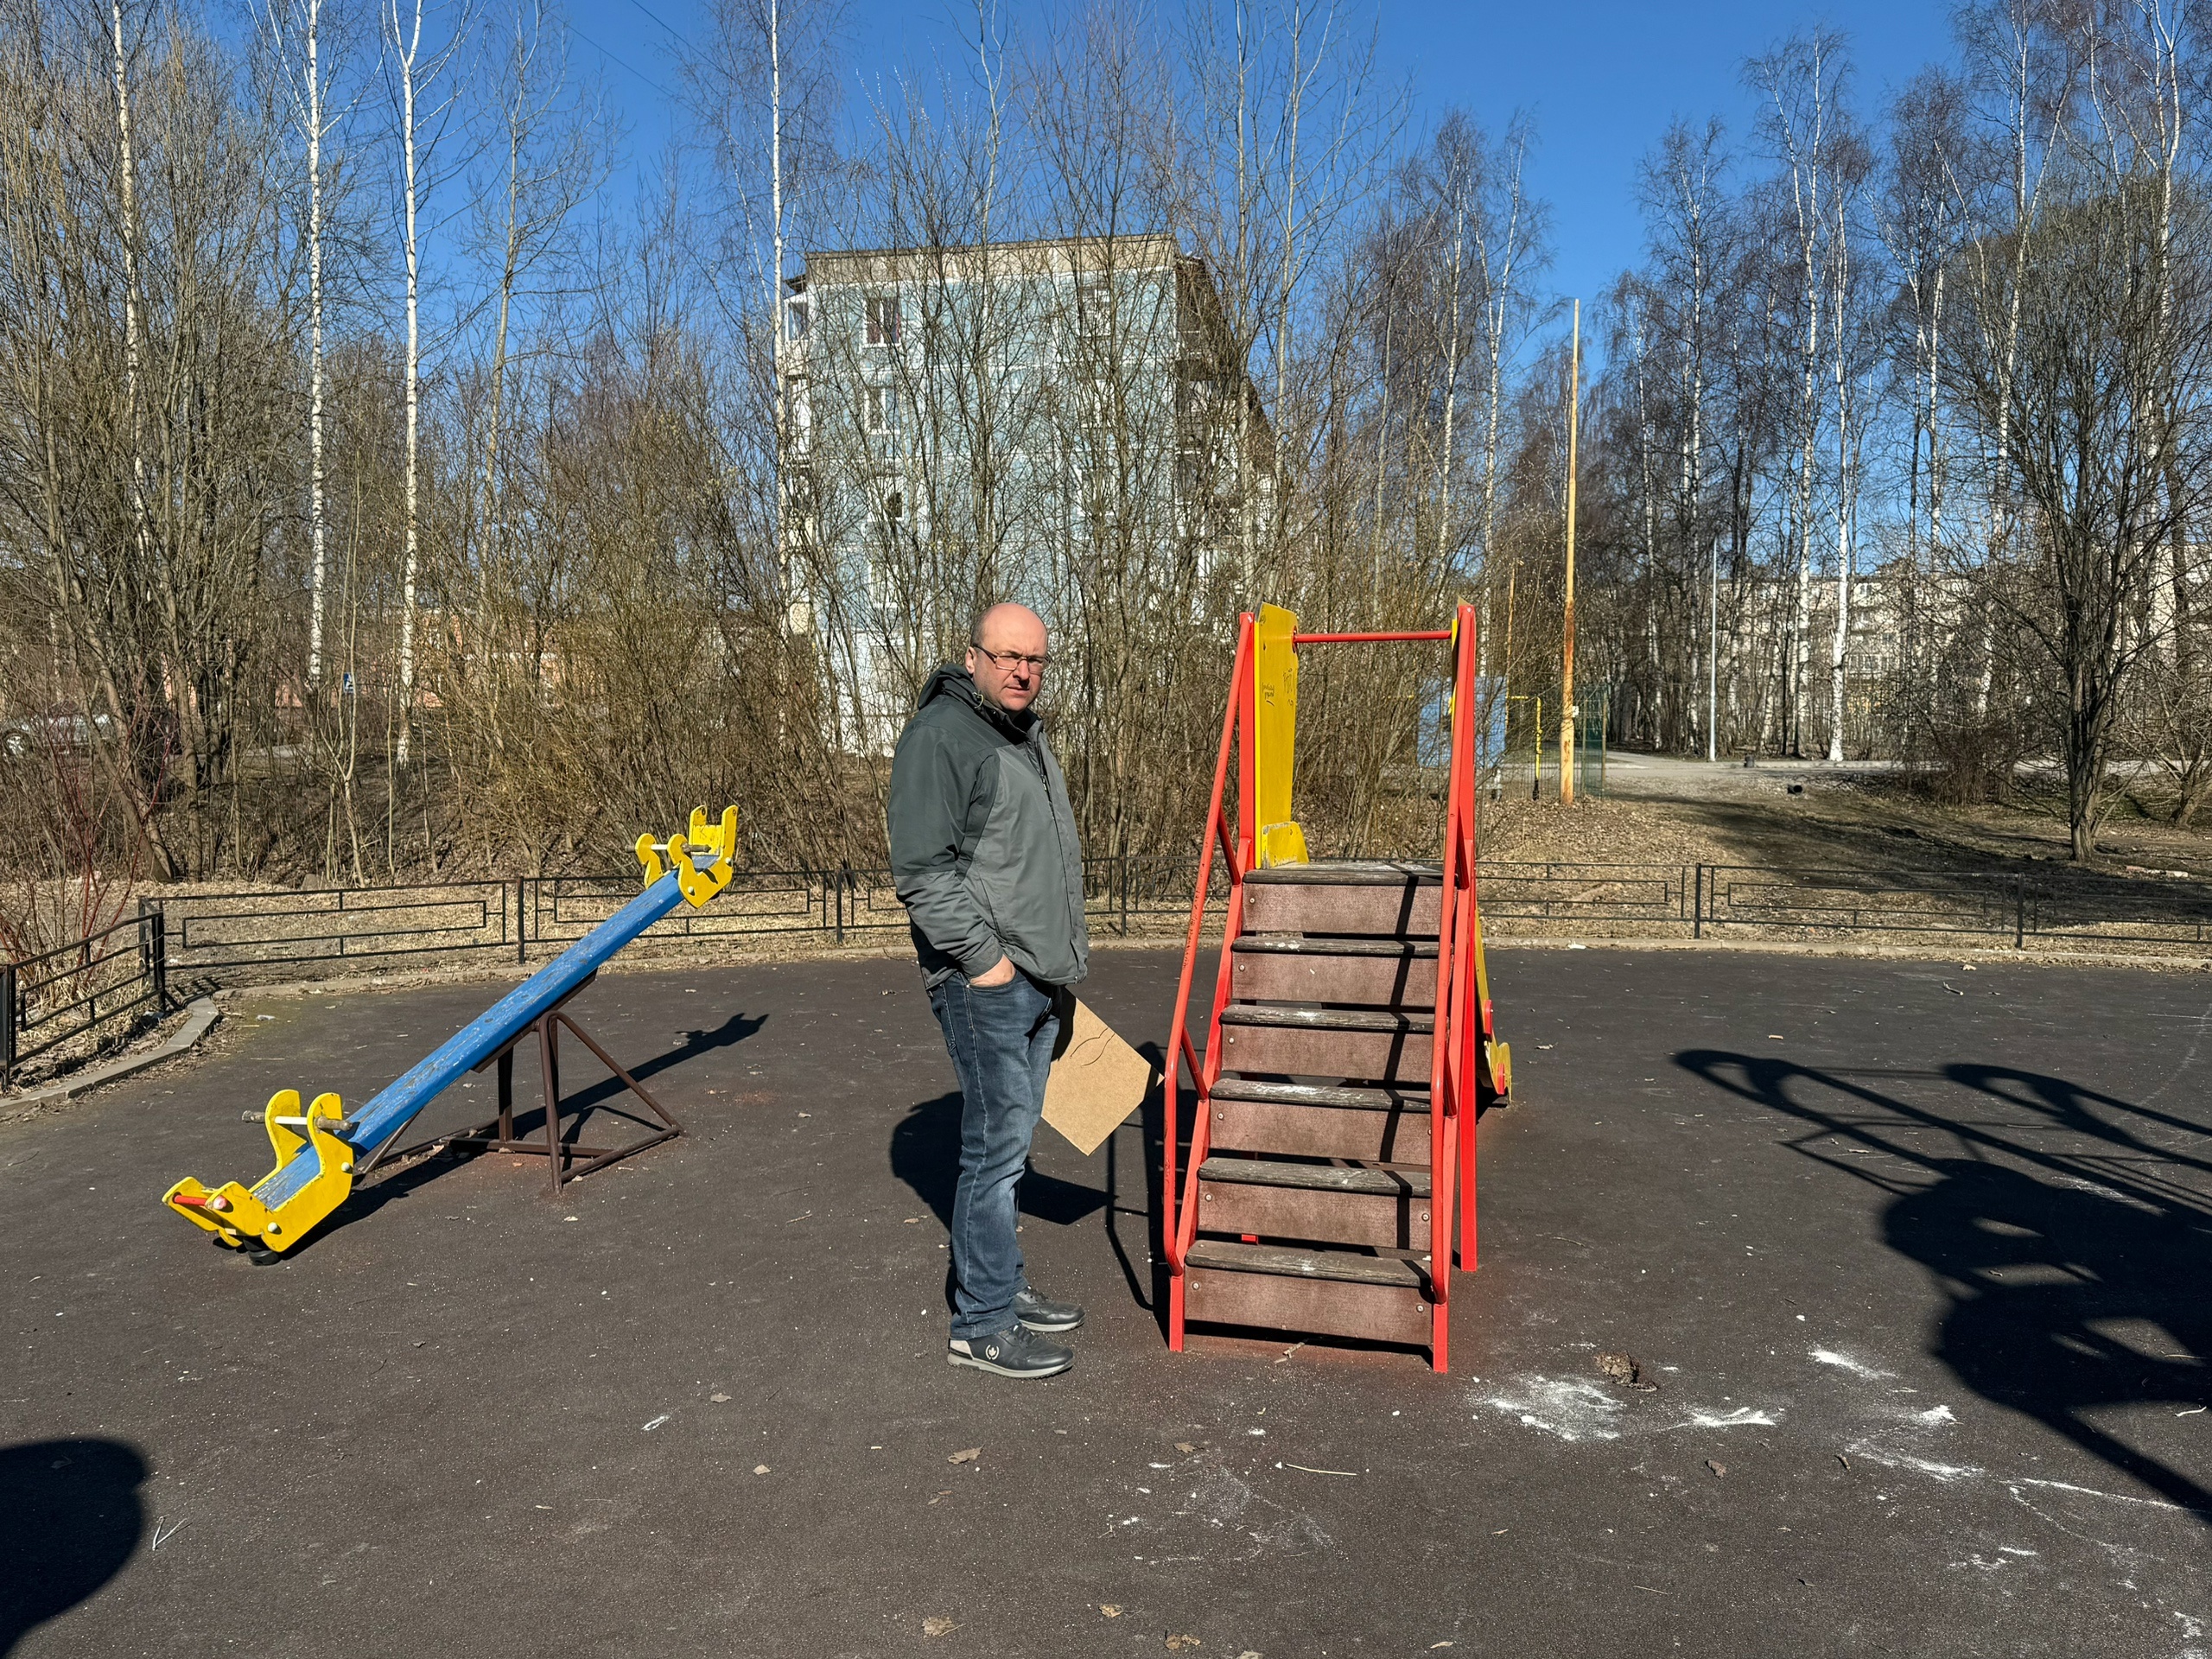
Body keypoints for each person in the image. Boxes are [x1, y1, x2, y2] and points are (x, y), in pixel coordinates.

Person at [888, 602, 1090, 1380]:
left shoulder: (1020, 733)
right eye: (1007, 656)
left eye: (1035, 660)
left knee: (1012, 1146)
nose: (1022, 671)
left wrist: (1054, 969)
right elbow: (922, 872)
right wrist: (985, 963)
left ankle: (1001, 1285)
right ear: (972, 656)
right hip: (988, 982)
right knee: (994, 1151)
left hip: (1037, 975)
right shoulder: (944, 735)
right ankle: (981, 1324)